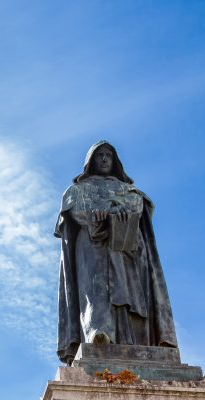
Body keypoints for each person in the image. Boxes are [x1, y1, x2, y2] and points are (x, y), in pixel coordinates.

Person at [55, 141, 177, 363]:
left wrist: (117, 209)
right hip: (93, 245)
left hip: (126, 246)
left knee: (130, 291)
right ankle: (98, 332)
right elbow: (74, 211)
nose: (103, 159)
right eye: (99, 155)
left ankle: (137, 340)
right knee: (95, 289)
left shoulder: (128, 190)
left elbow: (139, 205)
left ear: (114, 161)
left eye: (108, 155)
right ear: (90, 161)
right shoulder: (77, 190)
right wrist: (95, 215)